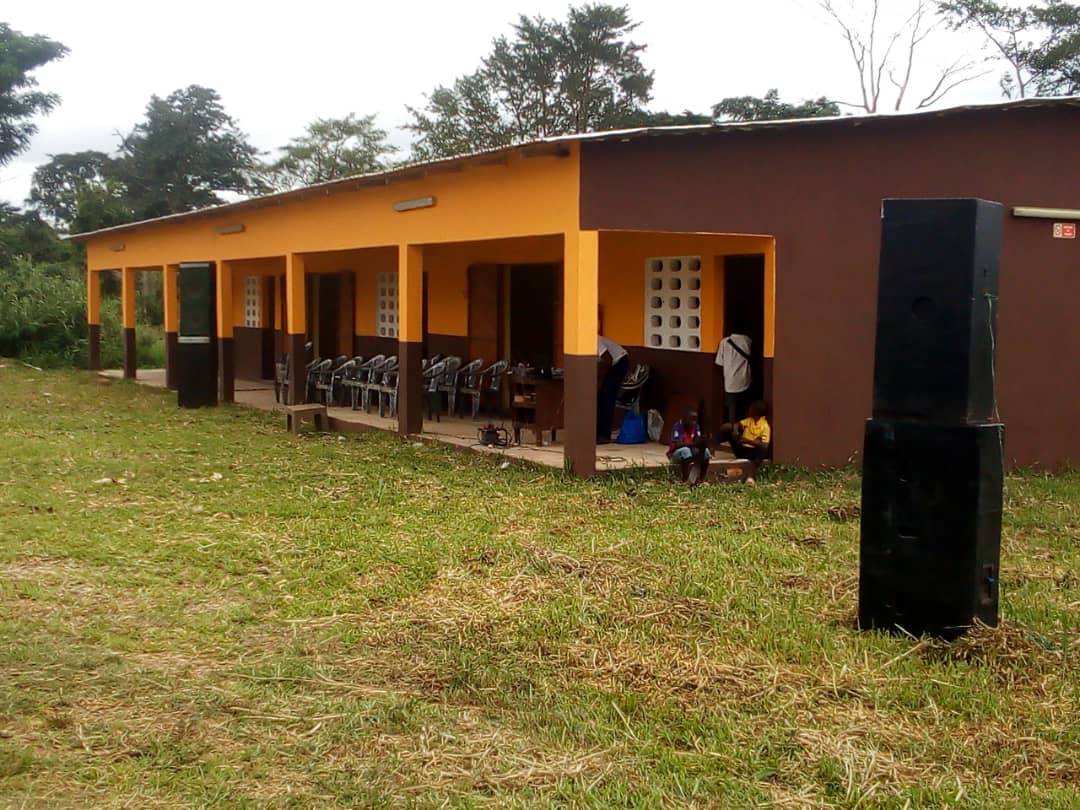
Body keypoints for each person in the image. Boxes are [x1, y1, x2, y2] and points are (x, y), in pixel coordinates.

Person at [716, 400, 771, 484]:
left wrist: (748, 441)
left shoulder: (765, 426)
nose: (749, 410)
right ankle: (712, 448)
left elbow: (765, 444)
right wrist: (735, 430)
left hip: (752, 453)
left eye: (751, 409)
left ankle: (750, 475)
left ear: (756, 412)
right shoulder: (749, 420)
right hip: (742, 449)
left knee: (763, 449)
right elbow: (737, 424)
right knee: (727, 427)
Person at [596, 335, 629, 442]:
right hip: (607, 365)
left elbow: (607, 360)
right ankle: (598, 432)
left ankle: (604, 435)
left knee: (607, 396)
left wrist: (601, 381)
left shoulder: (594, 339)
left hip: (619, 361)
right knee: (600, 397)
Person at [715, 333, 752, 424]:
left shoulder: (724, 342)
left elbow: (719, 362)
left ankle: (733, 430)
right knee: (745, 407)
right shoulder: (747, 340)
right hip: (745, 380)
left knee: (732, 409)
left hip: (730, 382)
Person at [667, 409, 710, 485]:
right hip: (676, 455)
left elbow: (698, 443)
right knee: (685, 450)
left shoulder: (696, 427)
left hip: (691, 453)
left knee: (706, 452)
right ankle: (685, 479)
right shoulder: (677, 426)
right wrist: (694, 444)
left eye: (695, 420)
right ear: (684, 418)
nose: (693, 423)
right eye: (691, 420)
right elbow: (678, 444)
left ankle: (701, 479)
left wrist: (704, 442)